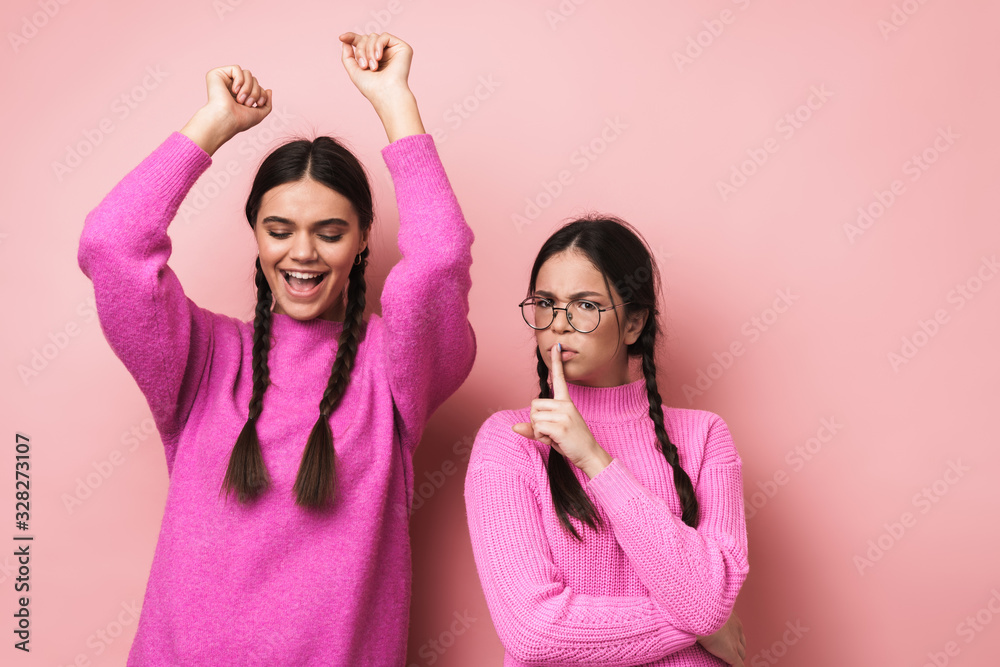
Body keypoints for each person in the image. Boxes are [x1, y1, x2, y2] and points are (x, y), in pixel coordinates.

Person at [77, 32, 475, 665]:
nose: (303, 254)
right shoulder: (201, 359)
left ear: (364, 239)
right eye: (280, 229)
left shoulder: (394, 368)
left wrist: (396, 103)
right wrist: (211, 125)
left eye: (331, 232)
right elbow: (111, 248)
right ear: (256, 234)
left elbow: (439, 263)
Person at [464, 215, 748, 666]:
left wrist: (593, 458)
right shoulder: (509, 442)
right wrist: (698, 625)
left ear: (634, 324)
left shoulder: (706, 437)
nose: (558, 323)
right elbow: (534, 631)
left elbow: (708, 597)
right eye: (545, 303)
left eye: (586, 305)